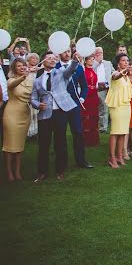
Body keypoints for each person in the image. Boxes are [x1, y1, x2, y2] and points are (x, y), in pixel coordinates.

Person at [31, 51, 82, 182]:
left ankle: (60, 170)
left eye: (55, 58)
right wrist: (37, 105)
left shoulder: (61, 73)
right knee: (43, 143)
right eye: (50, 58)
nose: (53, 60)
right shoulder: (37, 80)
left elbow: (70, 70)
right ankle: (42, 172)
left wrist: (75, 60)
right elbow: (33, 98)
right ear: (43, 61)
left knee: (60, 142)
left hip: (60, 112)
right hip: (45, 115)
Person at [57, 48, 92, 169]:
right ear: (59, 53)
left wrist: (81, 99)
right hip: (60, 105)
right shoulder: (55, 67)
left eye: (68, 51)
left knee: (78, 132)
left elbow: (85, 87)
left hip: (74, 104)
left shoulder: (78, 67)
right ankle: (62, 162)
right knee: (60, 133)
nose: (67, 54)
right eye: (64, 51)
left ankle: (81, 160)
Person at [3, 58, 35, 182]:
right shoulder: (11, 80)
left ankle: (17, 171)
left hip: (24, 115)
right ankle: (9, 172)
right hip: (11, 115)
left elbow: (34, 95)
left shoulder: (30, 80)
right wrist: (22, 78)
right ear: (14, 68)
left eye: (23, 65)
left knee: (19, 145)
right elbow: (12, 85)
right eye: (19, 66)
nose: (22, 67)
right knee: (10, 145)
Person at [107, 54, 132, 168]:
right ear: (118, 63)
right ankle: (112, 158)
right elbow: (116, 77)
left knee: (123, 132)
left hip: (126, 106)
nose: (126, 62)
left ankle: (120, 156)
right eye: (123, 60)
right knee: (115, 131)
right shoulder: (115, 74)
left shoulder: (127, 76)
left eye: (127, 60)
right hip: (116, 106)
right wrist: (123, 71)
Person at [81, 55, 100, 147]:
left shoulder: (93, 71)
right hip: (87, 95)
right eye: (90, 59)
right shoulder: (84, 71)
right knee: (86, 116)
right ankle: (86, 139)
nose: (92, 61)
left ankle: (94, 139)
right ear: (86, 61)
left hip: (94, 95)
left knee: (94, 116)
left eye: (93, 59)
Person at [93, 47, 112, 134]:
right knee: (94, 108)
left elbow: (113, 73)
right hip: (94, 88)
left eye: (101, 52)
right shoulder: (92, 63)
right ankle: (93, 126)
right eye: (98, 53)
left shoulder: (108, 63)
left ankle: (103, 127)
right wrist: (97, 62)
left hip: (105, 88)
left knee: (104, 107)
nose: (100, 54)